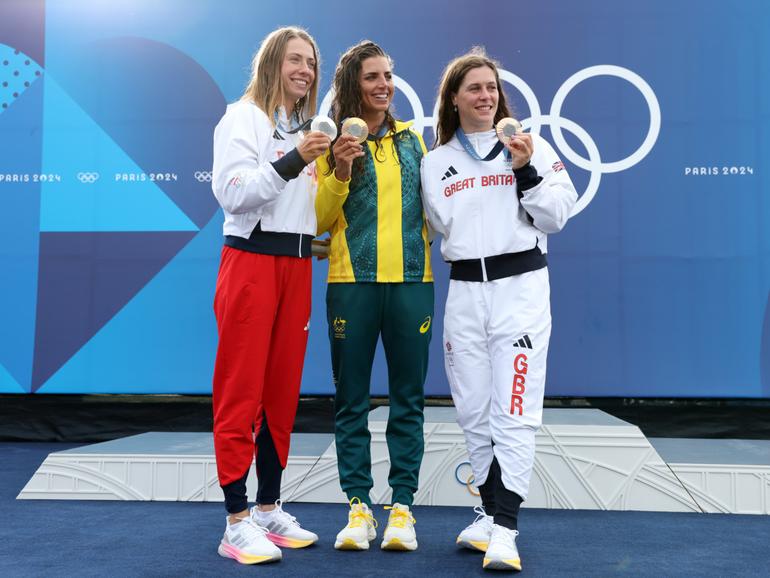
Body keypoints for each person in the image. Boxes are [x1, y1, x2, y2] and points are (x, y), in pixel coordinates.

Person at [420, 48, 577, 571]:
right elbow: (442, 227)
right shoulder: (435, 161)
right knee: (473, 412)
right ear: (454, 99)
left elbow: (556, 215)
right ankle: (488, 514)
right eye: (474, 88)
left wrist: (525, 167)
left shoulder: (529, 146)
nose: (485, 96)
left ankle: (506, 528)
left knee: (515, 411)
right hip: (465, 293)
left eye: (491, 87)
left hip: (520, 291)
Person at [210, 26, 331, 565]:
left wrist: (309, 234)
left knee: (282, 391)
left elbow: (293, 204)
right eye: (294, 61)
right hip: (251, 264)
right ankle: (235, 522)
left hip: (296, 265)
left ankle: (267, 508)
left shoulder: (302, 126)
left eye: (310, 62)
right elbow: (233, 192)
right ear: (271, 64)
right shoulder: (244, 117)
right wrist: (295, 158)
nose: (304, 70)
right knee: (241, 389)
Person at [315, 40, 434, 552]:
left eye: (388, 75)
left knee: (408, 400)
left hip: (413, 284)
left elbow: (439, 211)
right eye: (372, 77)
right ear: (352, 84)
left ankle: (402, 508)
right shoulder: (326, 142)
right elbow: (318, 220)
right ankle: (359, 509)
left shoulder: (414, 142)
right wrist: (340, 170)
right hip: (351, 286)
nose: (383, 85)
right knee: (352, 402)